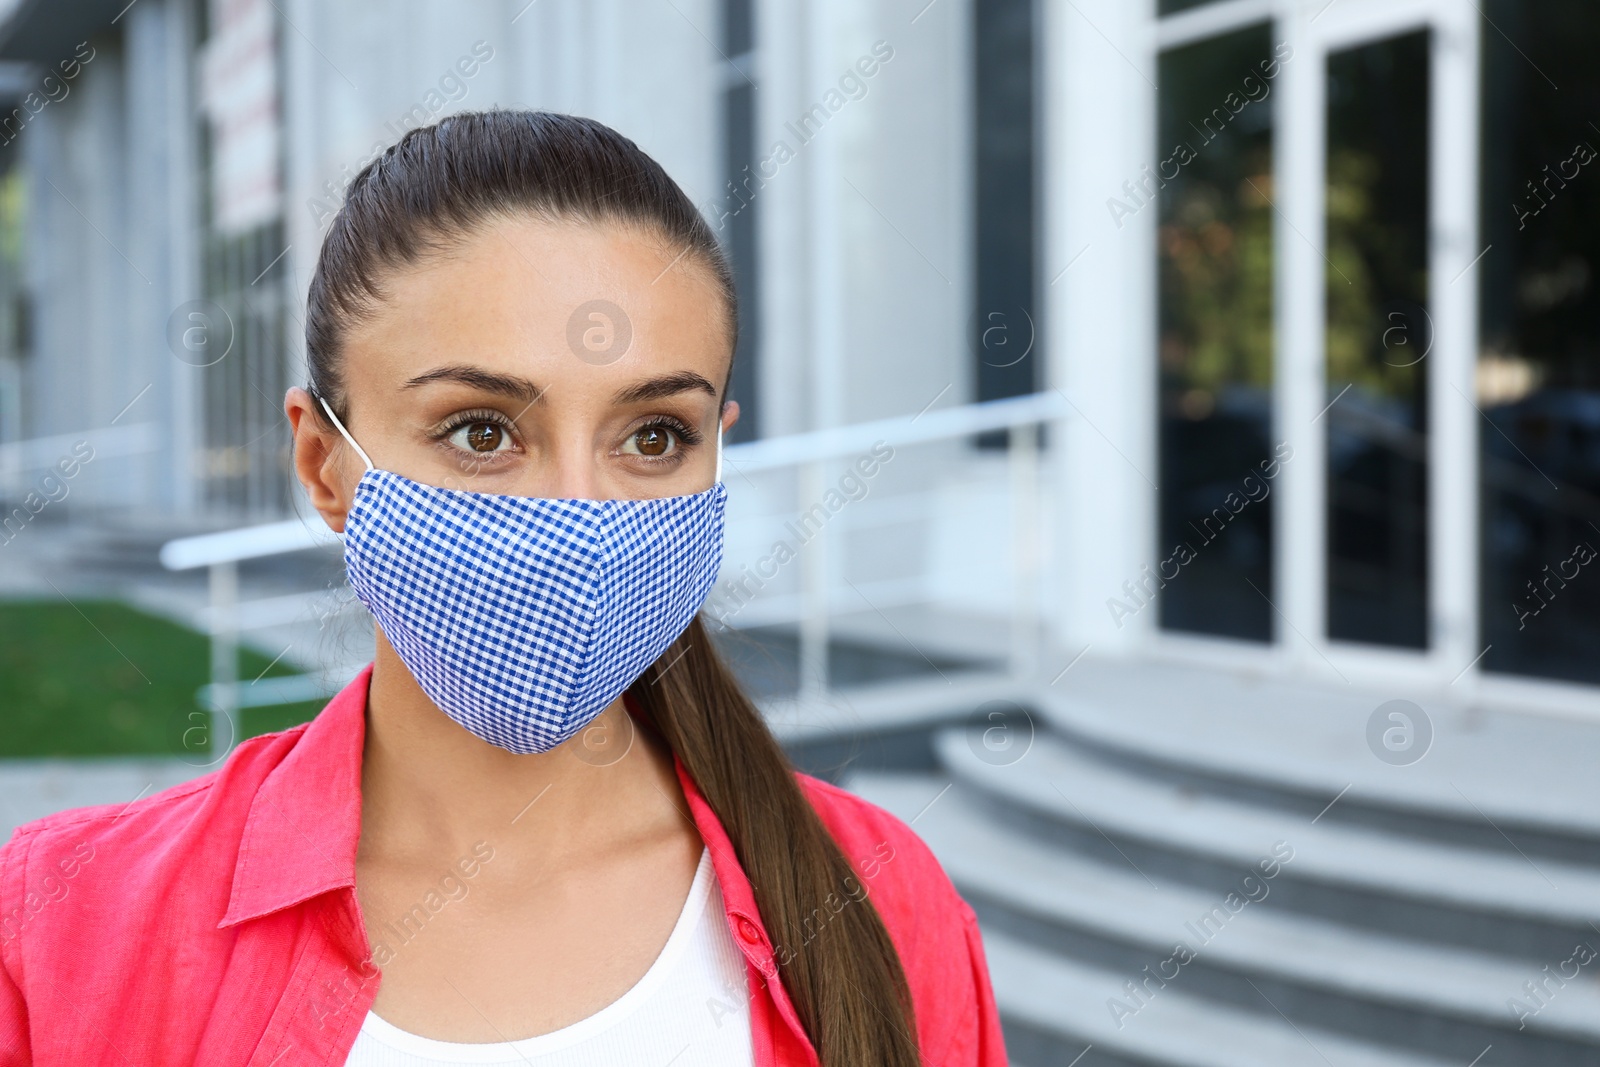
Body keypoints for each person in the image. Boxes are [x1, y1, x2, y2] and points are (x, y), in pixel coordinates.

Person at [0, 110, 1005, 1066]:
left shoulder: (877, 894)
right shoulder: (61, 922)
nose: (578, 514)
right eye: (482, 430)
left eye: (653, 435)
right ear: (321, 465)